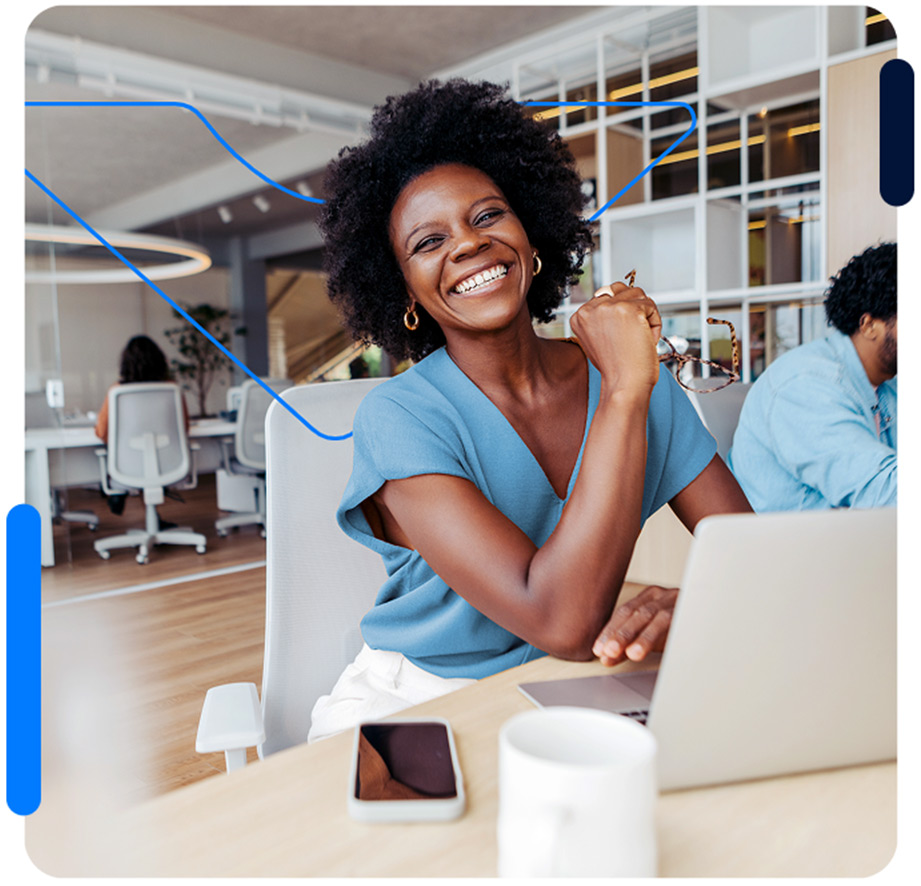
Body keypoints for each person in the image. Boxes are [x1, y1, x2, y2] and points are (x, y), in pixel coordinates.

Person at [309, 79, 751, 741]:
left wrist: (696, 608)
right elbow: (559, 620)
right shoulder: (399, 417)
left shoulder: (630, 375)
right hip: (424, 703)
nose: (466, 243)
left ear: (531, 234)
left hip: (583, 684)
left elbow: (757, 565)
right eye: (428, 243)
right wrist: (626, 392)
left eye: (487, 216)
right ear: (401, 288)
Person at [728, 243, 897, 511]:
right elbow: (880, 491)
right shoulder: (806, 385)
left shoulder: (888, 383)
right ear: (869, 325)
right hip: (798, 548)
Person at [95, 335, 188, 515]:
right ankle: (155, 523)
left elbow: (101, 432)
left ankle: (120, 493)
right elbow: (183, 429)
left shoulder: (117, 391)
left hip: (128, 467)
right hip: (168, 465)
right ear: (160, 360)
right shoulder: (172, 389)